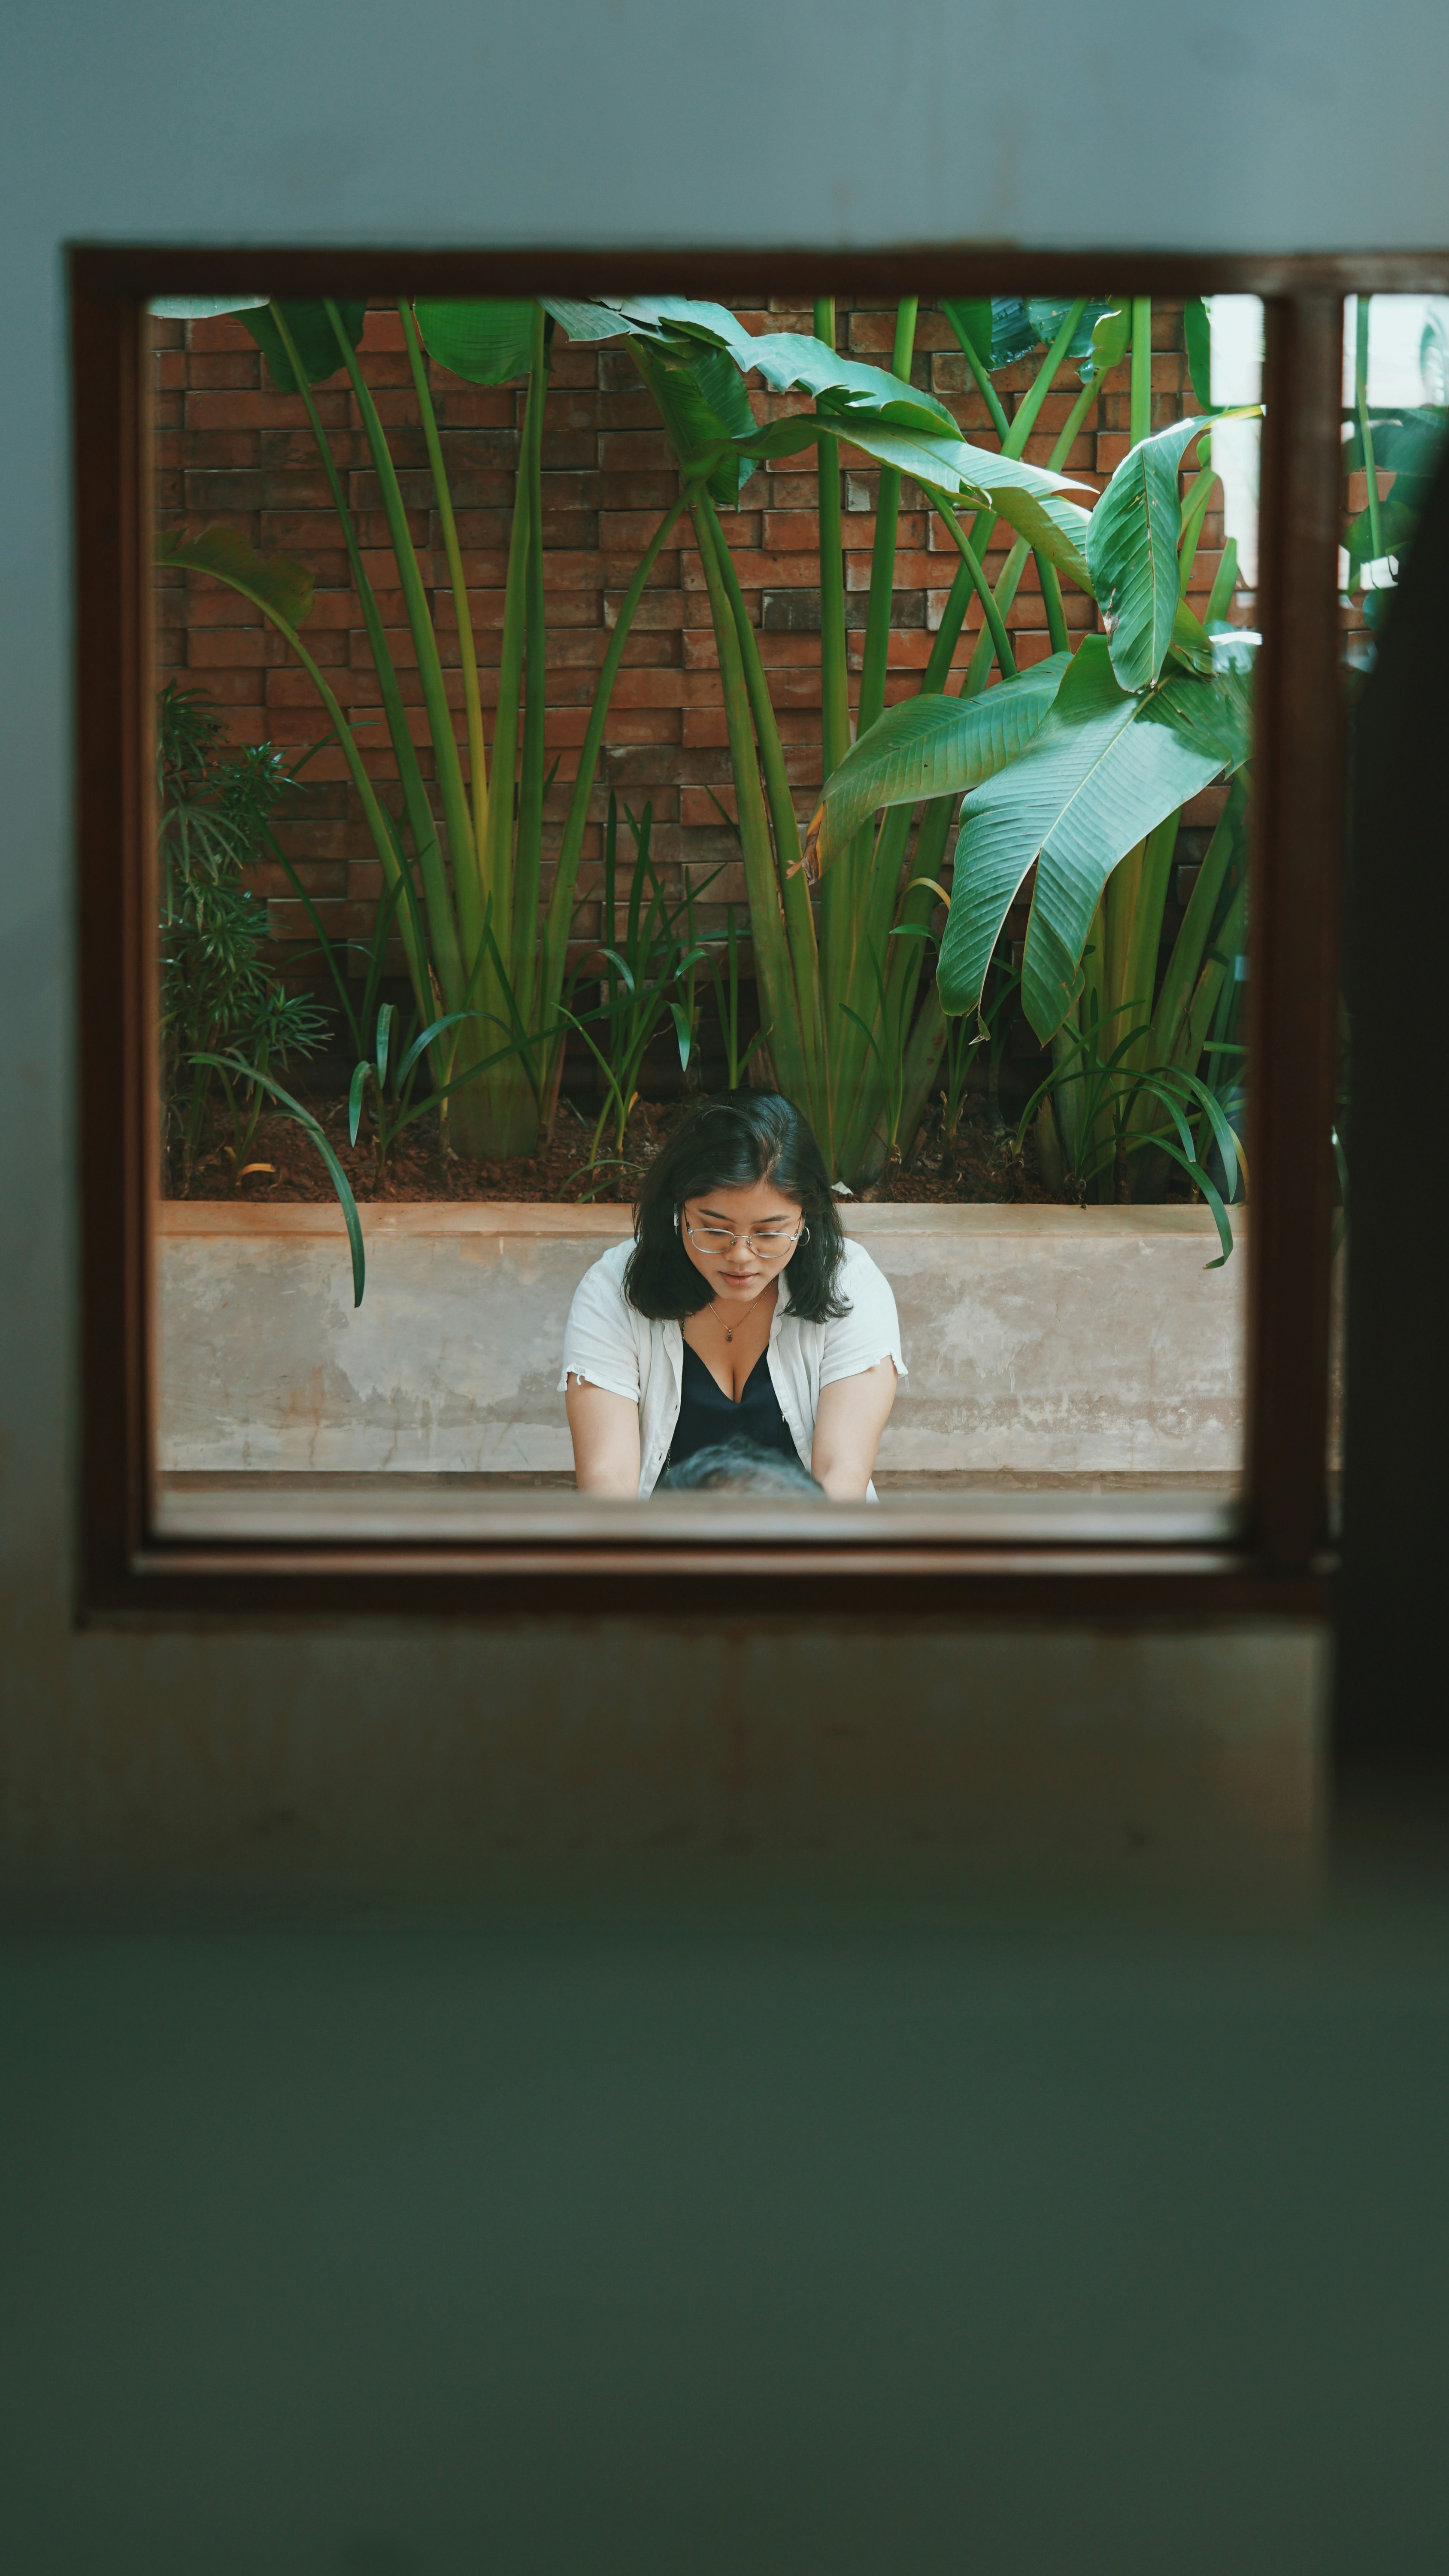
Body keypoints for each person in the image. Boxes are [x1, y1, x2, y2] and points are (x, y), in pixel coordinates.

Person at [561, 1093, 903, 1499]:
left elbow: (841, 1477)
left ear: (805, 1218)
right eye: (715, 1229)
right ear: (679, 1209)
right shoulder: (612, 1290)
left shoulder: (850, 1284)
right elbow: (607, 1482)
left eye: (769, 1233)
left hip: (812, 1548)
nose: (741, 1256)